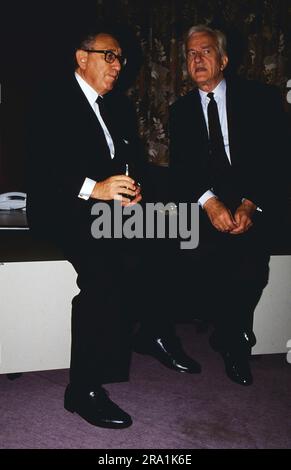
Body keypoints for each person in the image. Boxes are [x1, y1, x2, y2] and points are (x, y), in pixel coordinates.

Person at [26, 23, 200, 429]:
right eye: (109, 55)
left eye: (121, 58)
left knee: (178, 229)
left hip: (109, 209)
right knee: (104, 268)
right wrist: (96, 189)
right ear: (81, 57)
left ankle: (154, 332)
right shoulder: (50, 96)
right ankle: (82, 389)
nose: (118, 65)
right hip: (63, 208)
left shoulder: (119, 106)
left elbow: (131, 161)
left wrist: (134, 188)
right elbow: (43, 166)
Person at [169, 24, 290, 386]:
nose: (197, 59)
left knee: (252, 266)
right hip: (206, 206)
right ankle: (231, 332)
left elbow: (277, 161)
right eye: (191, 54)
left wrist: (251, 205)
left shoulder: (260, 99)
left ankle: (230, 338)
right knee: (197, 255)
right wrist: (210, 204)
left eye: (205, 51)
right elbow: (183, 173)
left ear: (223, 59)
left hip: (256, 201)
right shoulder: (180, 112)